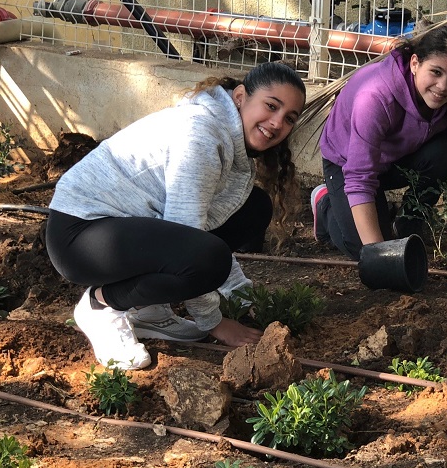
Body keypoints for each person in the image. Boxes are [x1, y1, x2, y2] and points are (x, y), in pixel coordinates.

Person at [45, 62, 306, 370]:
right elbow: (190, 238)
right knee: (209, 261)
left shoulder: (227, 136)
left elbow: (203, 223)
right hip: (80, 237)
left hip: (119, 229)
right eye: (271, 106)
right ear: (240, 97)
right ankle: (101, 304)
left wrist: (241, 295)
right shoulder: (202, 136)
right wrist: (215, 323)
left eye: (289, 118)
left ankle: (148, 311)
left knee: (253, 207)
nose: (277, 123)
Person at [312, 25, 447, 261]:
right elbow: (360, 177)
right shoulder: (375, 96)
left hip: (394, 160)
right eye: (436, 72)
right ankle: (326, 204)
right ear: (415, 63)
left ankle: (408, 226)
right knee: (362, 249)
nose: (442, 87)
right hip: (347, 165)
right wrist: (380, 255)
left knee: (446, 153)